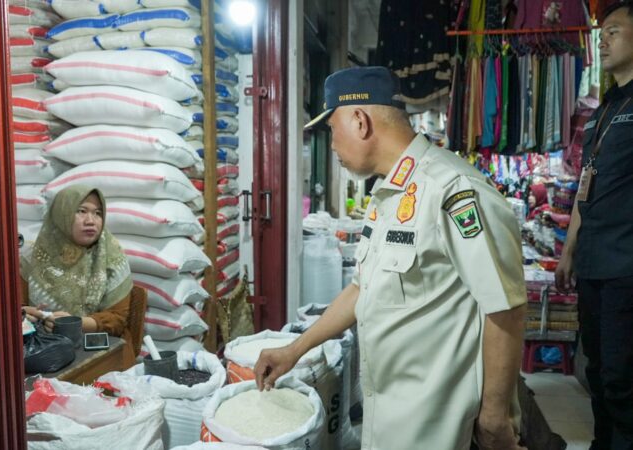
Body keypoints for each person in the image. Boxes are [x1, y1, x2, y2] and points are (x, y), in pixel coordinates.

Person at [254, 66, 527, 450]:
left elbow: (505, 307)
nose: (331, 145)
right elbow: (362, 288)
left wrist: (496, 416)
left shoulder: (452, 190)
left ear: (360, 121)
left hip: (437, 422)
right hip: (388, 412)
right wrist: (294, 350)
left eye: (332, 129)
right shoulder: (389, 194)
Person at [555, 3, 633, 449]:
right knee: (598, 375)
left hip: (626, 269)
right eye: (601, 33)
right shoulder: (604, 109)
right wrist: (568, 251)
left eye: (614, 31)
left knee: (623, 380)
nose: (603, 40)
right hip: (593, 266)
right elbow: (587, 186)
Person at [21, 185, 134, 354]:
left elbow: (118, 319)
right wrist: (27, 315)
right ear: (61, 215)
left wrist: (76, 323)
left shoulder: (112, 258)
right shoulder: (32, 258)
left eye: (98, 213)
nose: (91, 220)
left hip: (101, 352)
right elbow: (10, 309)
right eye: (81, 211)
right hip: (42, 351)